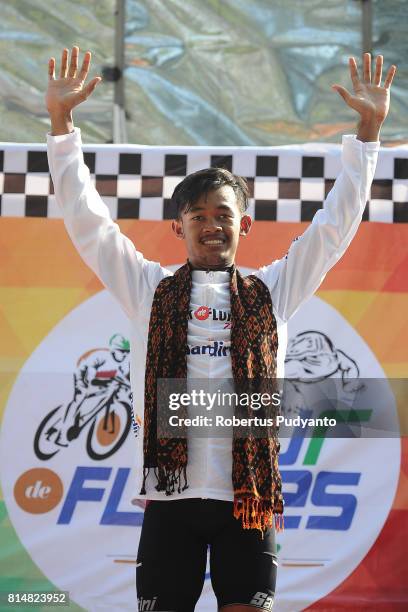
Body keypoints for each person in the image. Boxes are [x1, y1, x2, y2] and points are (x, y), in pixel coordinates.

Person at [45, 46, 396, 612]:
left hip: (247, 501)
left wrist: (368, 137)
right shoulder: (149, 288)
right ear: (177, 226)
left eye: (223, 216)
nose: (211, 226)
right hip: (170, 501)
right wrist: (62, 128)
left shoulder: (273, 291)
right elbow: (87, 221)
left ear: (246, 225)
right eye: (198, 217)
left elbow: (334, 228)